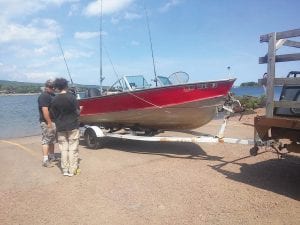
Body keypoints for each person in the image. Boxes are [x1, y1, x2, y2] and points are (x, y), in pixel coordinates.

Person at [51, 78, 81, 177]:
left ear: (58, 87)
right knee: (73, 148)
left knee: (63, 149)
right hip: (72, 126)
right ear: (66, 86)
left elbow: (53, 115)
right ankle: (72, 170)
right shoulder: (72, 97)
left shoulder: (54, 99)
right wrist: (80, 110)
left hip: (60, 127)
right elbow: (77, 113)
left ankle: (65, 170)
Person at [38, 79, 57, 167]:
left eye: (53, 87)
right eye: (51, 87)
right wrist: (49, 122)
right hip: (47, 122)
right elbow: (44, 110)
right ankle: (45, 160)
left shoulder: (52, 95)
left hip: (53, 121)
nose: (53, 88)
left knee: (52, 140)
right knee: (46, 140)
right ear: (46, 87)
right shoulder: (44, 96)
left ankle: (52, 156)